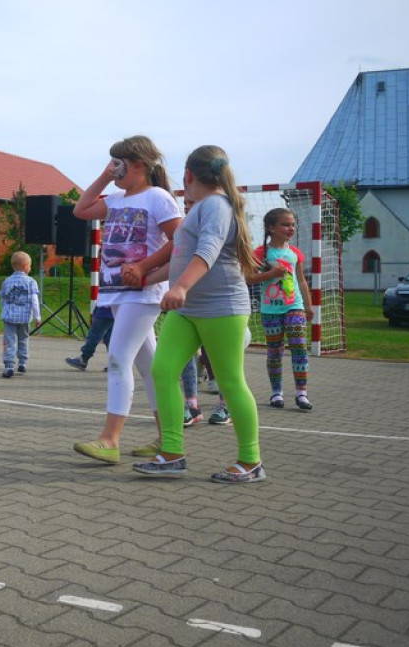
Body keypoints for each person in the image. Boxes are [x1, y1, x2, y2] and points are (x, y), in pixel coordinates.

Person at [132, 145, 265, 483]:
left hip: (222, 308)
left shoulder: (217, 205)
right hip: (188, 308)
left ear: (188, 175)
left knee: (230, 381)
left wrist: (180, 288)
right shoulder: (199, 209)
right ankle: (172, 453)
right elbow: (181, 260)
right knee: (163, 371)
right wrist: (148, 278)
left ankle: (251, 461)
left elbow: (207, 251)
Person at [71, 136, 181, 465]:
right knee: (150, 367)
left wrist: (145, 267)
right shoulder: (116, 199)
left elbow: (181, 240)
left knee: (118, 359)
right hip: (117, 292)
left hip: (142, 293)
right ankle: (167, 439)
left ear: (139, 165)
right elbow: (80, 210)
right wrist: (105, 177)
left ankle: (110, 440)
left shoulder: (158, 197)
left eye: (119, 164)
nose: (114, 169)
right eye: (112, 163)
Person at [246, 207, 314, 411]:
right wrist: (271, 274)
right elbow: (249, 278)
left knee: (299, 346)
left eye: (293, 225)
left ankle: (301, 393)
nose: (291, 228)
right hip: (270, 310)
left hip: (294, 306)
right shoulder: (261, 253)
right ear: (271, 228)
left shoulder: (295, 253)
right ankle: (276, 392)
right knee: (275, 351)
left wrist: (308, 305)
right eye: (285, 224)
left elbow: (301, 280)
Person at [0, 251, 42, 377]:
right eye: (30, 266)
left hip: (9, 317)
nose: (30, 268)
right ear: (25, 266)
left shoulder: (7, 281)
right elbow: (34, 301)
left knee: (9, 340)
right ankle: (22, 362)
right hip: (24, 318)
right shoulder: (31, 282)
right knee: (24, 338)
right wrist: (37, 317)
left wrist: (3, 311)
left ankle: (9, 365)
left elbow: (3, 299)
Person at [64, 305, 113, 371]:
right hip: (113, 309)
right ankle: (115, 362)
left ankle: (84, 358)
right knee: (109, 336)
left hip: (106, 308)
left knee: (94, 334)